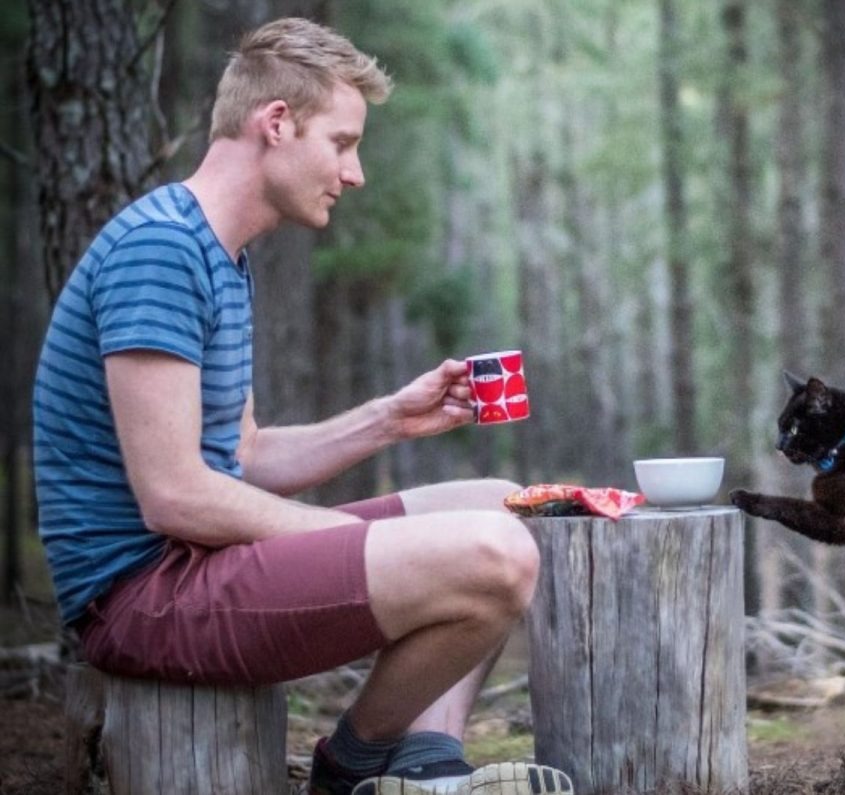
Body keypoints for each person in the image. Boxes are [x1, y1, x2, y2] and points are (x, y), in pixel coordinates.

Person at [32, 17, 572, 795]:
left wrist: (390, 416)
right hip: (144, 598)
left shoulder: (220, 255)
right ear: (276, 124)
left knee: (508, 508)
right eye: (343, 142)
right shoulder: (159, 249)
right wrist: (357, 542)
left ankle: (425, 762)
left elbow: (243, 456)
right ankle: (348, 770)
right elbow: (174, 494)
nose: (354, 174)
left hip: (199, 570)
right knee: (492, 552)